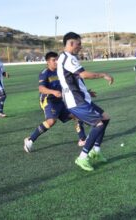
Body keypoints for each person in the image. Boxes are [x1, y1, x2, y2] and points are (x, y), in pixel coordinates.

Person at [57, 32, 114, 171]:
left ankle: (96, 151)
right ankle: (82, 157)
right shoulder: (68, 58)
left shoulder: (65, 58)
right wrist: (103, 74)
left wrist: (86, 92)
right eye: (78, 44)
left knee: (105, 118)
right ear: (70, 43)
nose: (80, 47)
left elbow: (74, 79)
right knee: (98, 124)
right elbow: (83, 74)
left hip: (80, 98)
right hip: (76, 101)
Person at [23, 51, 88, 153]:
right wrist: (52, 92)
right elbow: (41, 88)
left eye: (57, 59)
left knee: (77, 114)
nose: (56, 62)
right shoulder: (45, 73)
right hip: (49, 100)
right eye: (54, 60)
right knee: (51, 121)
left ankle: (83, 139)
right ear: (48, 62)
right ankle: (30, 140)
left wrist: (86, 92)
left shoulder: (61, 71)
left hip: (62, 100)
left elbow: (73, 83)